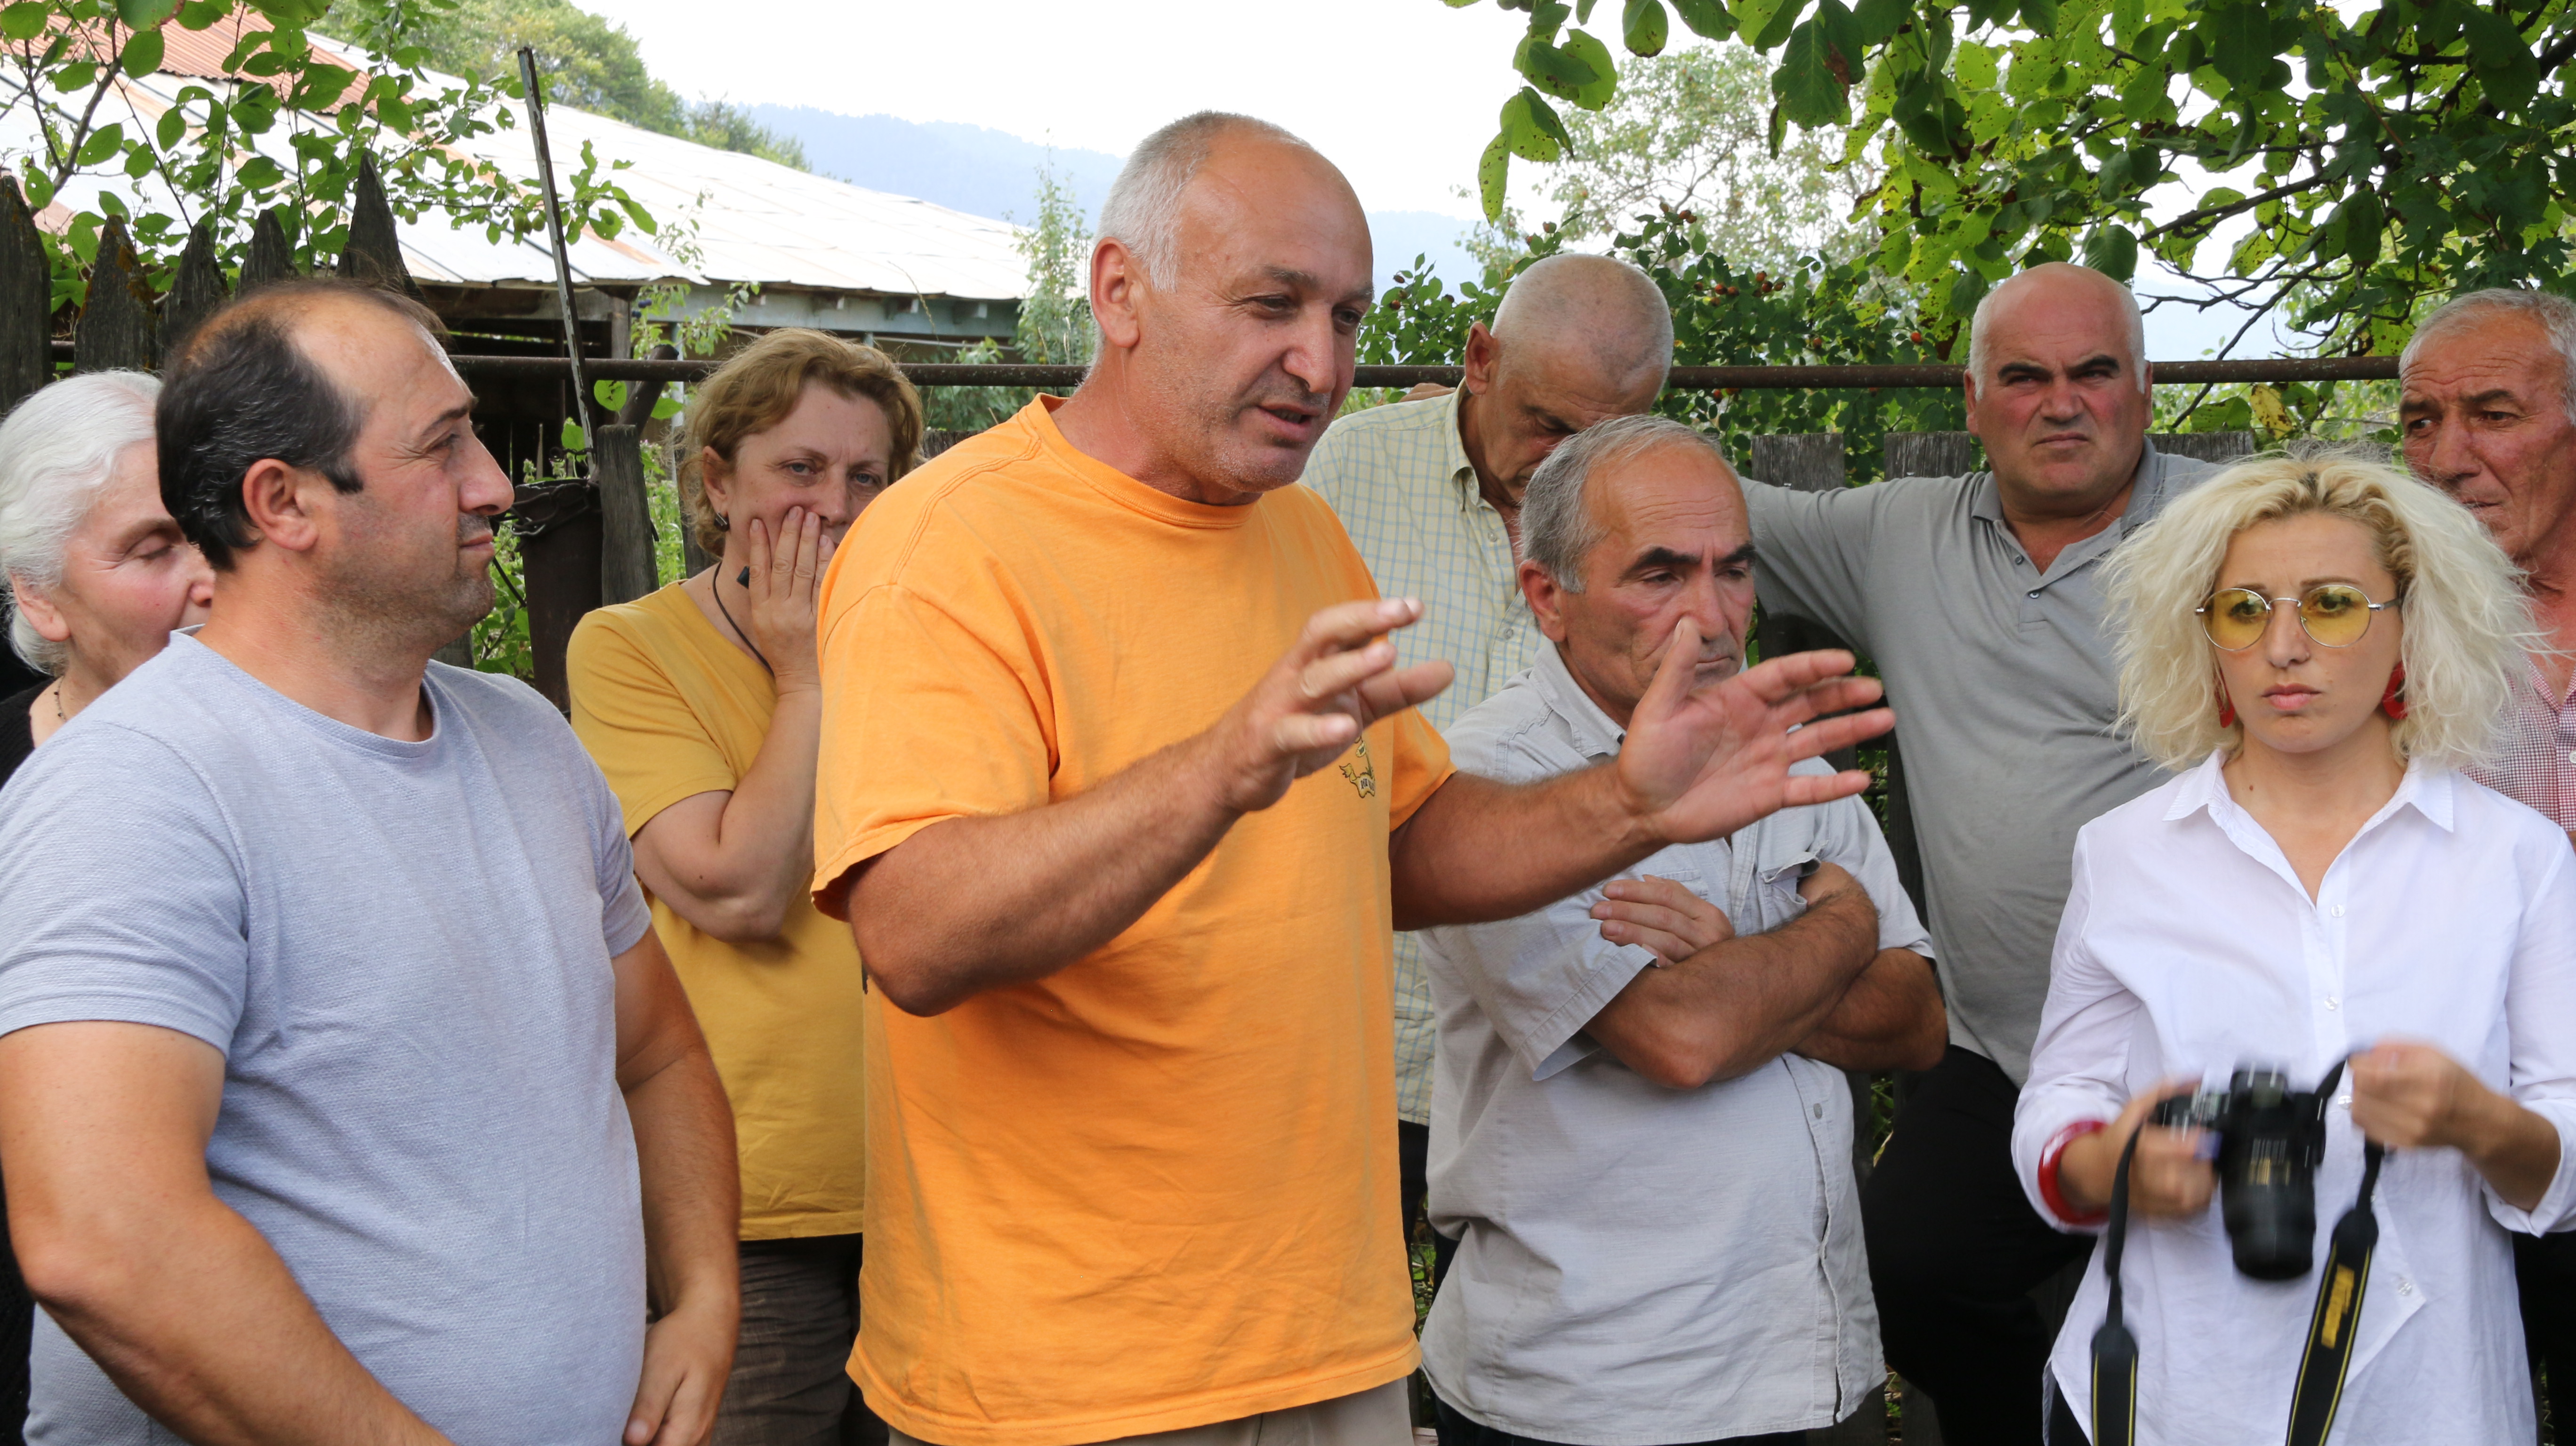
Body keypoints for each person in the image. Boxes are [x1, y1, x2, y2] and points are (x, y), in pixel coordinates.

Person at [810, 111, 1892, 1446]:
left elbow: (1406, 844)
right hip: (1069, 1374)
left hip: (1328, 1341)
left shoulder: (1301, 531)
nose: (1320, 364)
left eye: (1346, 316)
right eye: (1271, 305)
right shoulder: (950, 543)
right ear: (1119, 293)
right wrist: (1225, 767)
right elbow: (915, 934)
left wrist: (1629, 804)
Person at [0, 278, 740, 1446]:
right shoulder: (136, 785)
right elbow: (105, 1238)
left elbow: (656, 1056)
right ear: (282, 503)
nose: (494, 484)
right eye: (442, 447)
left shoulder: (528, 738)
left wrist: (703, 1299)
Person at [1742, 260, 2219, 1442]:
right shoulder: (1899, 535)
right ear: (1972, 400)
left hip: (2207, 1048)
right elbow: (1713, 509)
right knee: (1909, 1268)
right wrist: (1549, 421)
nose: (2061, 404)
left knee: (2221, 1320)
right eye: (2024, 378)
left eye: (2093, 373)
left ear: (2144, 390)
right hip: (2003, 1047)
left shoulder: (2236, 531)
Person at [2013, 450, 2574, 1443]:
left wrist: (2479, 1123)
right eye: (2243, 611)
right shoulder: (2126, 852)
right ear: (2204, 637)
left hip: (2433, 1398)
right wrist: (2110, 1165)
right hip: (2177, 1393)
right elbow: (2060, 1099)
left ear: (2411, 628)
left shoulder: (2517, 858)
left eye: (2332, 605)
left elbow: (2567, 1146)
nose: (2284, 646)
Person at [1415, 414, 1942, 1446]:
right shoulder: (1493, 786)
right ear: (1547, 597)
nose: (1711, 615)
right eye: (1660, 575)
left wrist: (1729, 961)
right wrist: (1842, 923)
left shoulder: (1789, 751)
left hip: (1814, 1367)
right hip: (1594, 1389)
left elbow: (1917, 1023)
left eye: (1733, 570)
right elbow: (1682, 1039)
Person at [570, 327, 920, 1446]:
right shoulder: (630, 648)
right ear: (717, 484)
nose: (837, 507)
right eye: (800, 469)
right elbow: (735, 890)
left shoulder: (926, 647)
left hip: (936, 1192)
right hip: (747, 1208)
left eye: (867, 476)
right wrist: (805, 675)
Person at [1301, 254, 1674, 1238]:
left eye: (1604, 438)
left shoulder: (1666, 522)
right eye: (1546, 423)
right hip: (1357, 1024)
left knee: (1520, 1320)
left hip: (1562, 1033)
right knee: (1357, 1306)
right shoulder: (1339, 473)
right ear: (1479, 360)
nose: (1565, 467)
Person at [0, 370, 212, 1446]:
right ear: (41, 598)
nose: (211, 577)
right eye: (155, 547)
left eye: (216, 528)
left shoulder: (331, 765)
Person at [2395, 285, 2576, 1425]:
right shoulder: (2381, 628)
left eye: (2494, 415)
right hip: (2465, 1131)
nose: (2449, 458)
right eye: (2422, 421)